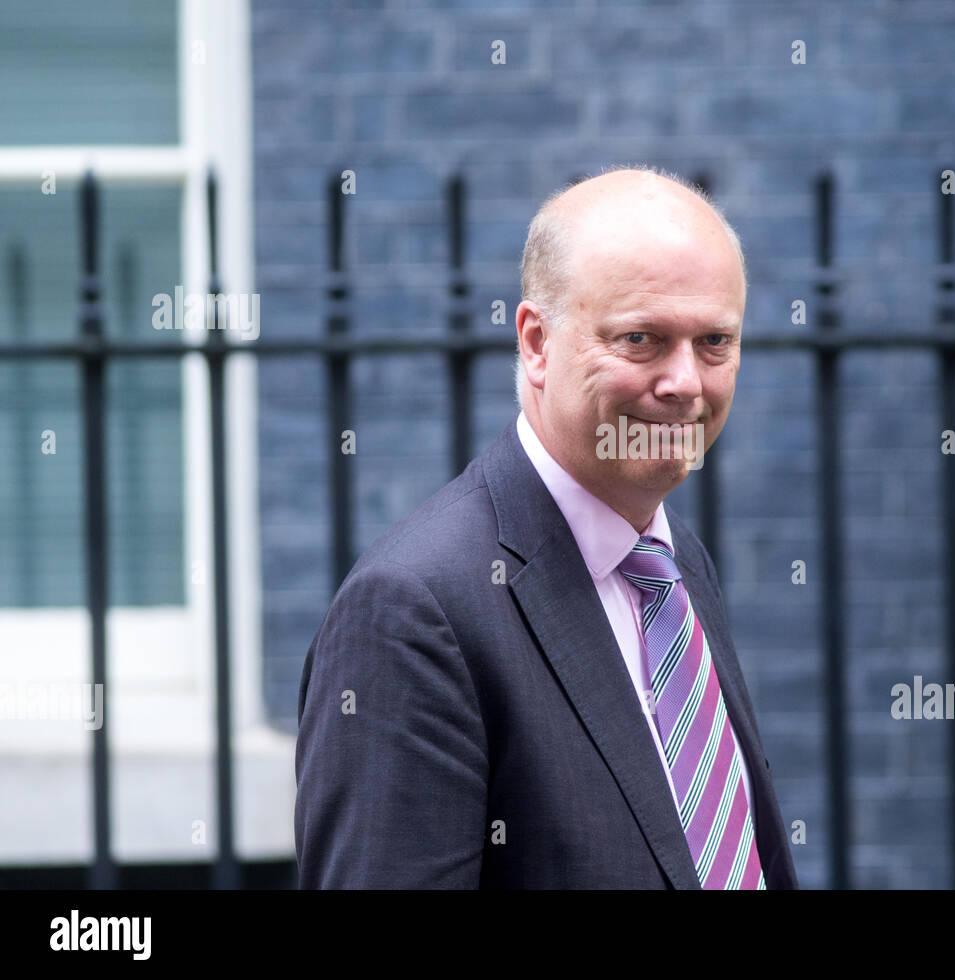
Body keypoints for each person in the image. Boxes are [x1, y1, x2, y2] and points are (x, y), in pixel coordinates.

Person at [294, 165, 798, 889]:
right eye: (641, 339)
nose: (686, 381)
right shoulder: (411, 613)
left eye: (714, 342)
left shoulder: (671, 561)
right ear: (536, 342)